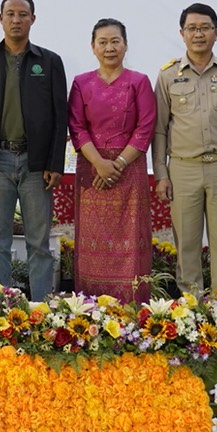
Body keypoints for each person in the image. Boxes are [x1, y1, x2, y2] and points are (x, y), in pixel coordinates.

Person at [0, 0, 68, 301]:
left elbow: (60, 116)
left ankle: (41, 309)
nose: (16, 20)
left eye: (23, 14)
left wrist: (55, 163)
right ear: (0, 19)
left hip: (36, 164)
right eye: (10, 14)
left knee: (39, 242)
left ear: (33, 19)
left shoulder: (49, 62)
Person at [152, 3, 217, 299]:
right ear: (182, 33)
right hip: (182, 169)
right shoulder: (168, 75)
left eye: (205, 28)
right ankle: (191, 307)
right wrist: (161, 174)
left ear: (216, 32)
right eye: (192, 28)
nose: (198, 34)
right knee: (186, 244)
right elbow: (159, 130)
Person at [68, 18, 156, 302]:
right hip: (91, 170)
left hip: (129, 170)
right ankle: (90, 308)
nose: (109, 48)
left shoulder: (139, 82)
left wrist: (115, 165)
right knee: (91, 243)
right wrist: (99, 164)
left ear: (125, 45)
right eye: (103, 42)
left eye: (115, 41)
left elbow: (145, 128)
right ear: (93, 47)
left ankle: (131, 308)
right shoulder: (81, 83)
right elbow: (76, 127)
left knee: (130, 242)